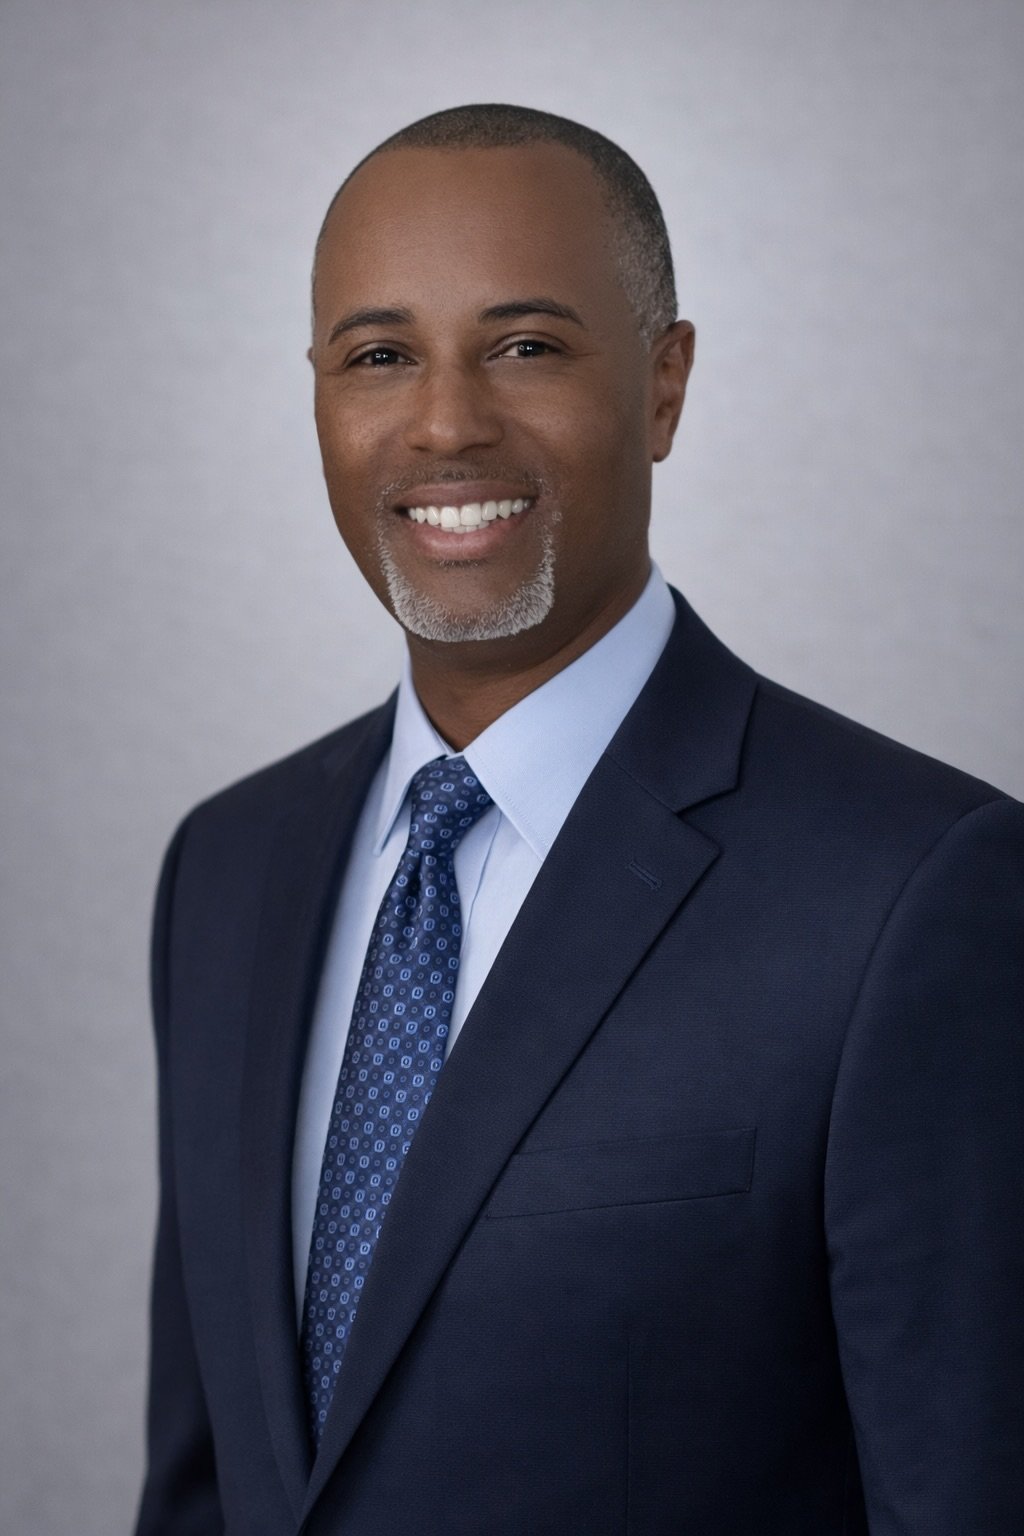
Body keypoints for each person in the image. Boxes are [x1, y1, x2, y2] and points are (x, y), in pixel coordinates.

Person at [134, 105, 1024, 1536]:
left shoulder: (914, 892)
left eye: (528, 345)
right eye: (378, 357)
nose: (444, 423)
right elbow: (205, 1486)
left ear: (666, 384)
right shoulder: (228, 870)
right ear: (316, 397)